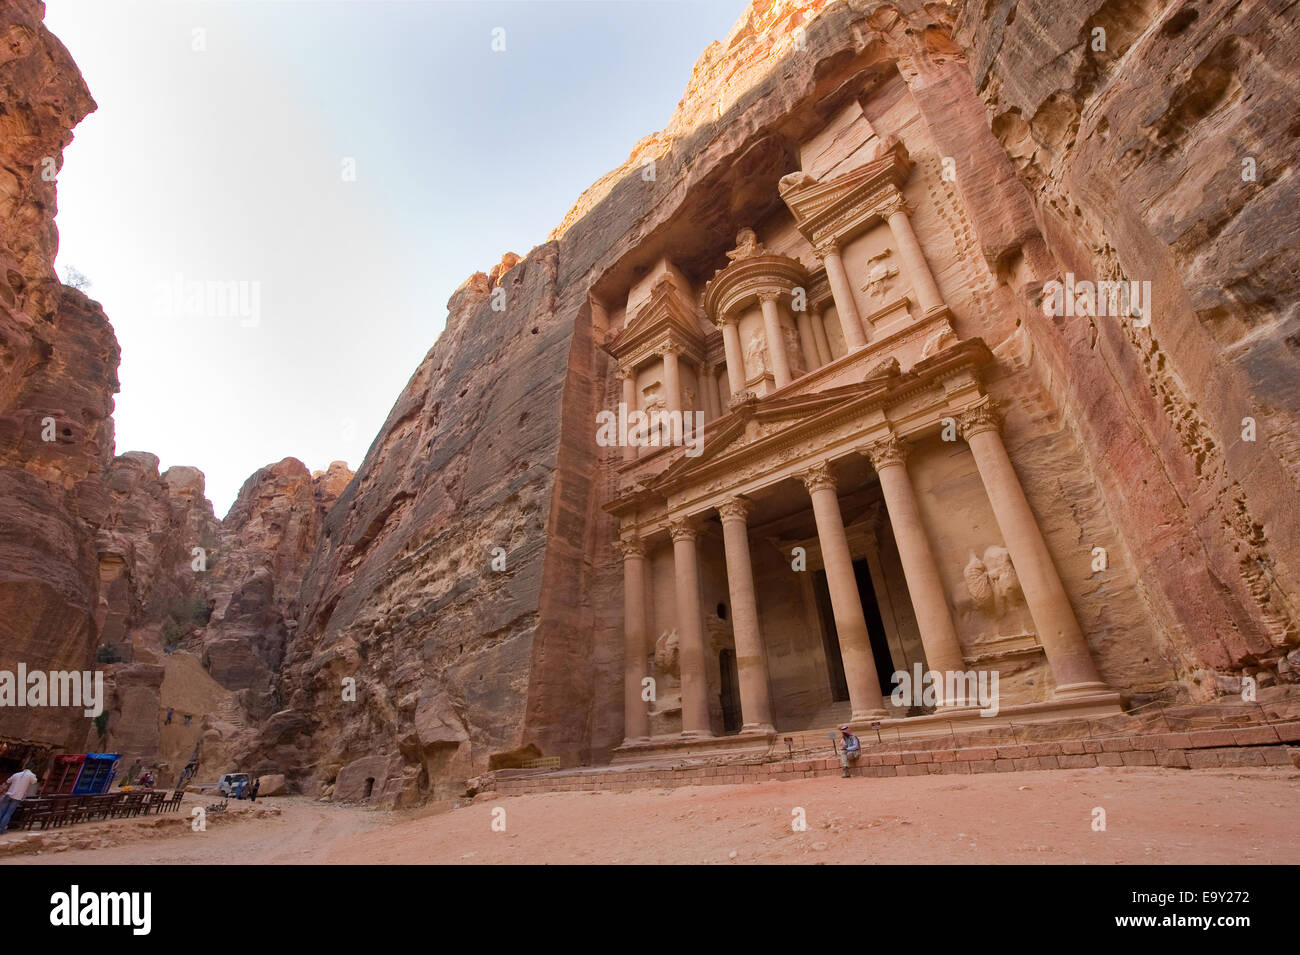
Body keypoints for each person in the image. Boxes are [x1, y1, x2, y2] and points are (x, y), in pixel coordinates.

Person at [0, 765, 40, 834]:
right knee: (8, 813)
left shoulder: (16, 774)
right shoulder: (31, 775)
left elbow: (8, 781)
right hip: (17, 797)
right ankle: (1, 829)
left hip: (9, 795)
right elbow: (34, 782)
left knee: (1, 811)